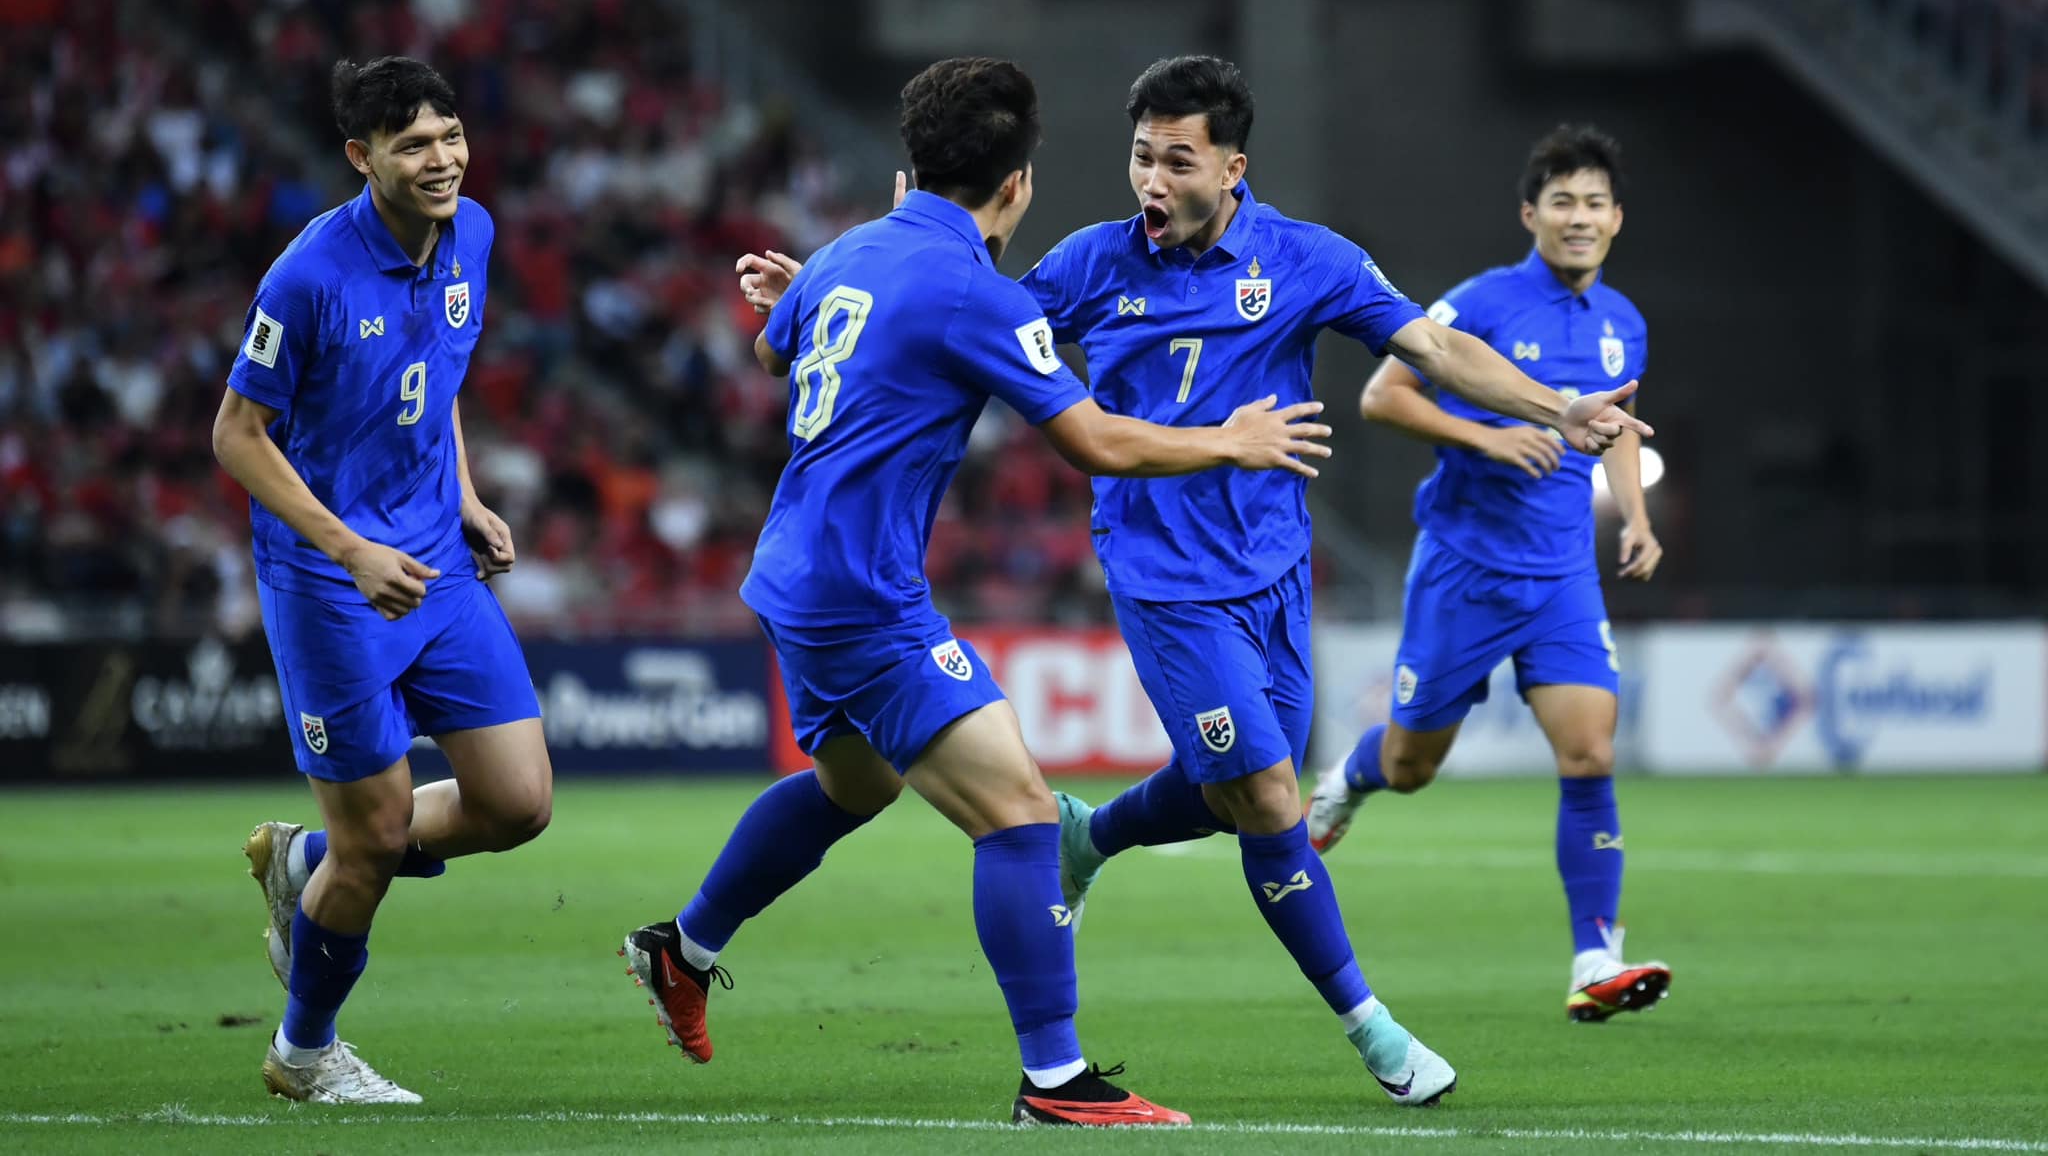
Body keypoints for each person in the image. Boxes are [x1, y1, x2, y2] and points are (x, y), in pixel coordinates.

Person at [619, 57, 1333, 1128]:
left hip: (791, 573)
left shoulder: (850, 250)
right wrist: (1225, 437)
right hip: (862, 597)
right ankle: (1055, 1080)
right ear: (1017, 186)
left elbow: (773, 352)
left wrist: (796, 291)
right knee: (1022, 816)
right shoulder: (975, 294)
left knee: (853, 787)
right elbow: (1091, 439)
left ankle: (682, 947)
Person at [1023, 57, 1649, 1108]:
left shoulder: (1305, 260)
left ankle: (1089, 835)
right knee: (1269, 798)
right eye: (1139, 156)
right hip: (1162, 576)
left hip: (1271, 574)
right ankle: (1374, 1029)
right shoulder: (1088, 264)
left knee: (1231, 792)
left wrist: (1554, 409)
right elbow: (981, 336)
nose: (1150, 180)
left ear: (1231, 166)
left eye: (1175, 160)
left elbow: (1431, 349)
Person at [215, 56, 551, 1104]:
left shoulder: (475, 235)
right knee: (378, 837)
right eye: (414, 144)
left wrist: (462, 492)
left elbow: (435, 375)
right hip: (330, 585)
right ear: (362, 157)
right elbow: (236, 435)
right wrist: (350, 549)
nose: (443, 158)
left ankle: (306, 856)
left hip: (438, 565)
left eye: (450, 135)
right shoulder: (309, 274)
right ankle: (304, 1053)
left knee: (518, 800)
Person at [1306, 124, 1671, 1025]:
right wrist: (1488, 434)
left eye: (1594, 203)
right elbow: (1382, 394)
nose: (1578, 218)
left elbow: (1616, 431)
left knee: (1590, 752)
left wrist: (1636, 517)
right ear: (1530, 213)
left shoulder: (1626, 325)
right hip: (1465, 569)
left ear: (1617, 218)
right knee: (1411, 762)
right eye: (1562, 202)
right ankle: (1348, 781)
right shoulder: (1480, 303)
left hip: (1560, 581)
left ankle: (1596, 958)